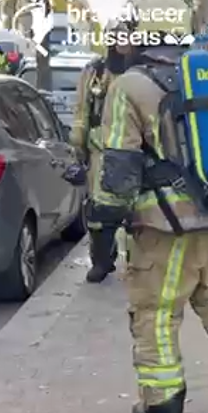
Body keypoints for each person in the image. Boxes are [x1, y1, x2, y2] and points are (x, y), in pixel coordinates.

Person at [91, 1, 208, 413]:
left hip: (161, 228)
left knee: (156, 312)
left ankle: (162, 402)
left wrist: (104, 224)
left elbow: (119, 169)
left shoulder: (130, 87)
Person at [71, 19, 137, 284]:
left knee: (137, 210)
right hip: (101, 150)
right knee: (99, 211)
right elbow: (82, 109)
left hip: (135, 151)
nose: (122, 43)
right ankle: (102, 260)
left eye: (127, 37)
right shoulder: (95, 72)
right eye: (117, 37)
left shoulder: (142, 71)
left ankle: (137, 262)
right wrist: (79, 142)